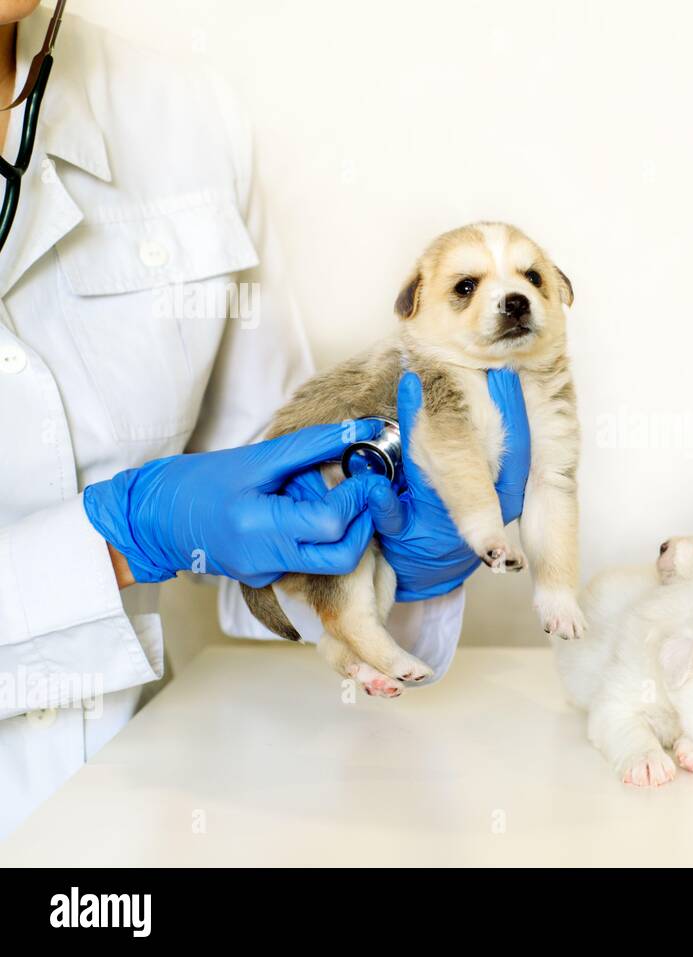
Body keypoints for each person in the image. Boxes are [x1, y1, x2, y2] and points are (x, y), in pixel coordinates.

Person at [0, 2, 530, 838]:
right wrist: (117, 541)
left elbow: (274, 512)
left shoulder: (178, 115)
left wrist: (404, 555)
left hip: (135, 806)